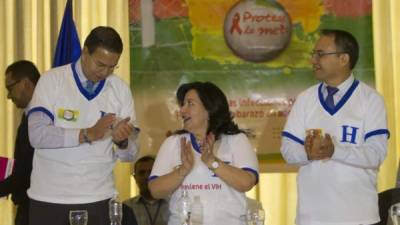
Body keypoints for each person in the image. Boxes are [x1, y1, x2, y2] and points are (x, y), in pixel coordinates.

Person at [27, 26, 139, 225]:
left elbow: (130, 155)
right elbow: (37, 135)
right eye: (100, 64)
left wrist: (122, 142)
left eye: (112, 67)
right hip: (49, 198)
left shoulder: (120, 89)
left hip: (100, 197)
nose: (105, 72)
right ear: (85, 52)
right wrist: (87, 134)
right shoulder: (52, 81)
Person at [281, 29, 389, 225]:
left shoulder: (370, 100)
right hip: (311, 219)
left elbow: (376, 155)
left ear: (343, 59)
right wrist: (309, 153)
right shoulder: (306, 99)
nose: (313, 60)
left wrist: (334, 150)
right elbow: (288, 151)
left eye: (320, 54)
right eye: (313, 54)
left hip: (359, 218)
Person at [148, 81, 259, 225]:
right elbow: (155, 190)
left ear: (209, 109)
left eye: (190, 104)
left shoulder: (236, 140)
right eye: (183, 104)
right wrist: (183, 170)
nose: (182, 110)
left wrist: (212, 161)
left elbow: (246, 182)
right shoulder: (174, 142)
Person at [0, 60, 40, 225]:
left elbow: (27, 171)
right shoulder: (29, 115)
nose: (9, 96)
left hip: (37, 208)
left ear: (25, 83)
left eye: (10, 88)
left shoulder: (41, 118)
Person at [122, 156, 169, 225]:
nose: (146, 176)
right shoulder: (126, 207)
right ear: (135, 178)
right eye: (141, 173)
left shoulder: (173, 204)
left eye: (151, 172)